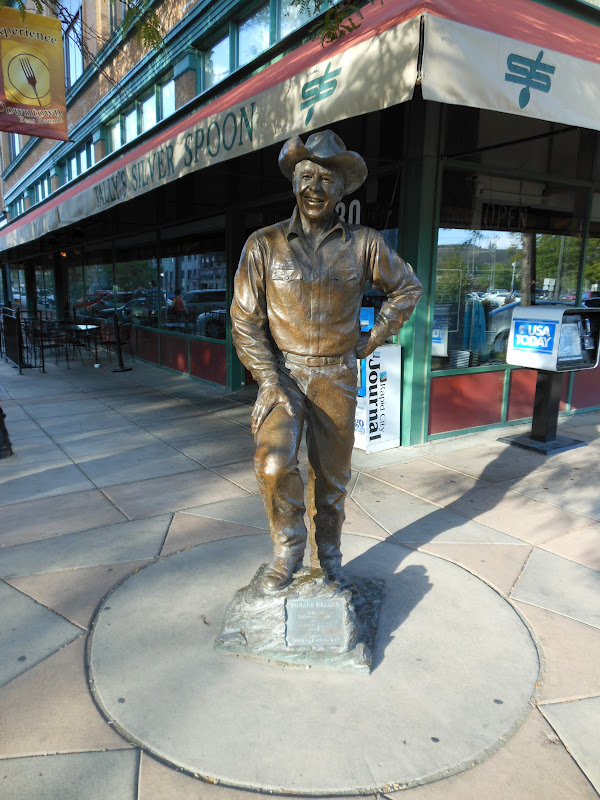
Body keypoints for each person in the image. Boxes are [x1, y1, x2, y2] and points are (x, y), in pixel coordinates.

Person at [231, 130, 423, 592]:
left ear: (342, 190)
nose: (315, 187)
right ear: (294, 183)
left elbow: (406, 288)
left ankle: (329, 556)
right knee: (274, 464)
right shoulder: (263, 244)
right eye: (307, 176)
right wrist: (267, 379)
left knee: (332, 481)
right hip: (285, 375)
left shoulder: (365, 243)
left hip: (337, 374)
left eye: (326, 179)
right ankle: (287, 550)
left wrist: (376, 336)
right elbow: (244, 318)